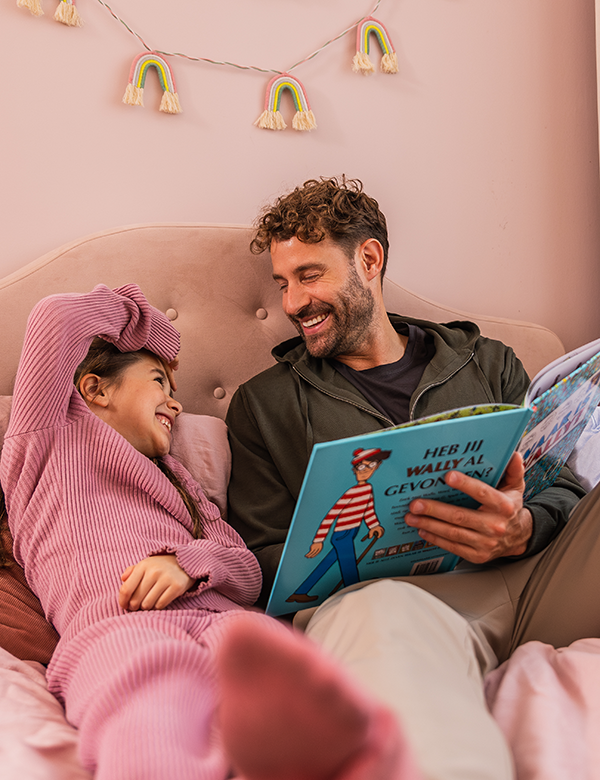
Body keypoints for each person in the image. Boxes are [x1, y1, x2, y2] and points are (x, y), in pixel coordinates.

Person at [225, 177, 597, 780]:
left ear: (368, 260)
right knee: (378, 614)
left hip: (530, 580)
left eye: (309, 275)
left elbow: (563, 482)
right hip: (394, 605)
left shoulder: (489, 362)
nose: (293, 302)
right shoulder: (264, 406)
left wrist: (524, 528)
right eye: (283, 283)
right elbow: (259, 556)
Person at [0, 284, 420, 780]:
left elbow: (245, 570)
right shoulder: (45, 442)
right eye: (160, 382)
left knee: (286, 682)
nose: (174, 406)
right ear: (96, 389)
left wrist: (188, 563)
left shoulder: (182, 483)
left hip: (228, 621)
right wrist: (157, 335)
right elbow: (56, 316)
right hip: (120, 628)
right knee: (148, 711)